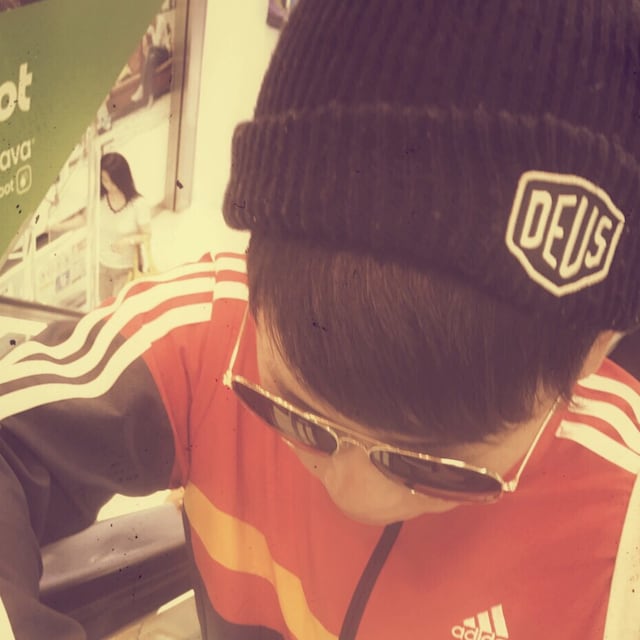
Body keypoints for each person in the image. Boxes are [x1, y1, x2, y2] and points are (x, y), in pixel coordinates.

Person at [0, 1, 639, 639]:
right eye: (293, 413)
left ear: (597, 346)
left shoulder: (622, 513)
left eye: (437, 469)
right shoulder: (211, 331)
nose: (354, 496)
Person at [98, 152, 151, 301]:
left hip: (124, 268)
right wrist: (51, 226)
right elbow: (83, 218)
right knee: (104, 306)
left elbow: (147, 235)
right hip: (102, 266)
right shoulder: (100, 200)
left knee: (118, 307)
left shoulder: (138, 204)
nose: (108, 185)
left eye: (111, 181)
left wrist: (127, 241)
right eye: (104, 180)